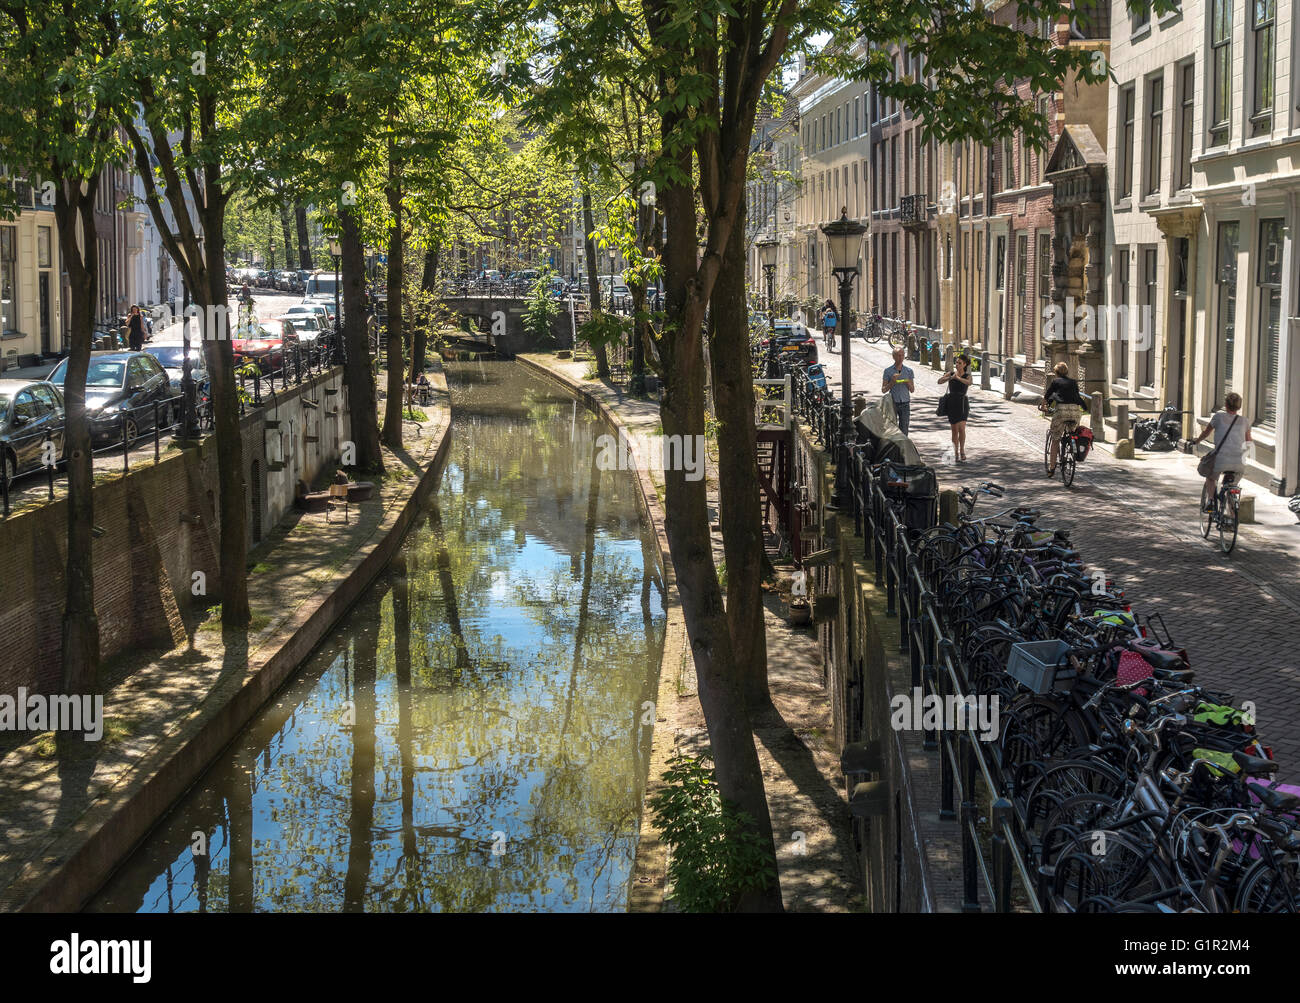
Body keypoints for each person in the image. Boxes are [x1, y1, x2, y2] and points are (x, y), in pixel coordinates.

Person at [1192, 392, 1250, 511]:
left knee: (1210, 477)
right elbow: (1249, 441)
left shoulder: (1218, 417)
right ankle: (1232, 519)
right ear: (1239, 406)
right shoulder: (1245, 421)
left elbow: (1206, 432)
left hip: (1221, 459)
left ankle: (1212, 502)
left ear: (1225, 405)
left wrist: (1196, 441)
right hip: (1239, 461)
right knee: (1231, 486)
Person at [1040, 361, 1087, 476]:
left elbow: (1048, 395)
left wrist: (1043, 406)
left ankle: (1051, 468)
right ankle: (1071, 445)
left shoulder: (1056, 381)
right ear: (1066, 372)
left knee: (1055, 438)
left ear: (1056, 373)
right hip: (1075, 411)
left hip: (1061, 411)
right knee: (1072, 432)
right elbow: (1077, 396)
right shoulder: (1073, 382)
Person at [938, 353, 973, 461]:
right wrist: (948, 378)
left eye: (959, 363)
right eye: (956, 362)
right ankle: (955, 451)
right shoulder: (951, 373)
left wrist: (957, 378)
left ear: (965, 364)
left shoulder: (967, 376)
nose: (957, 364)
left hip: (962, 403)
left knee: (961, 429)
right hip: (952, 403)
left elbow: (969, 383)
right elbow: (939, 381)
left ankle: (962, 450)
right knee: (954, 430)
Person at [881, 346, 916, 435]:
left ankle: (903, 447)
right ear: (893, 357)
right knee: (891, 428)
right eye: (898, 355)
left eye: (902, 355)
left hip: (905, 403)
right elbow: (883, 390)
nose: (900, 358)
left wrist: (907, 382)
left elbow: (912, 390)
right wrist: (892, 382)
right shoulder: (888, 371)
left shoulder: (909, 371)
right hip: (893, 403)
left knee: (904, 428)